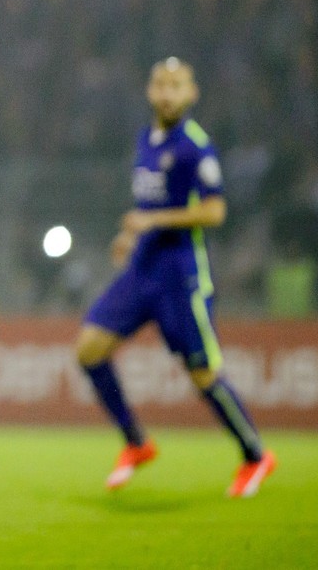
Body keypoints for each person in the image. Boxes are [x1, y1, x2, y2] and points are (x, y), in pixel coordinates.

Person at [75, 57, 276, 497]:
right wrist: (131, 235)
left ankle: (256, 455)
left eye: (177, 85)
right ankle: (136, 442)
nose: (168, 93)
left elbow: (214, 211)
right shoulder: (145, 138)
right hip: (142, 268)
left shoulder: (195, 146)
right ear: (151, 92)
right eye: (161, 85)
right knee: (90, 349)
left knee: (202, 374)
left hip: (179, 274)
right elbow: (148, 207)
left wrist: (152, 223)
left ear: (191, 94)